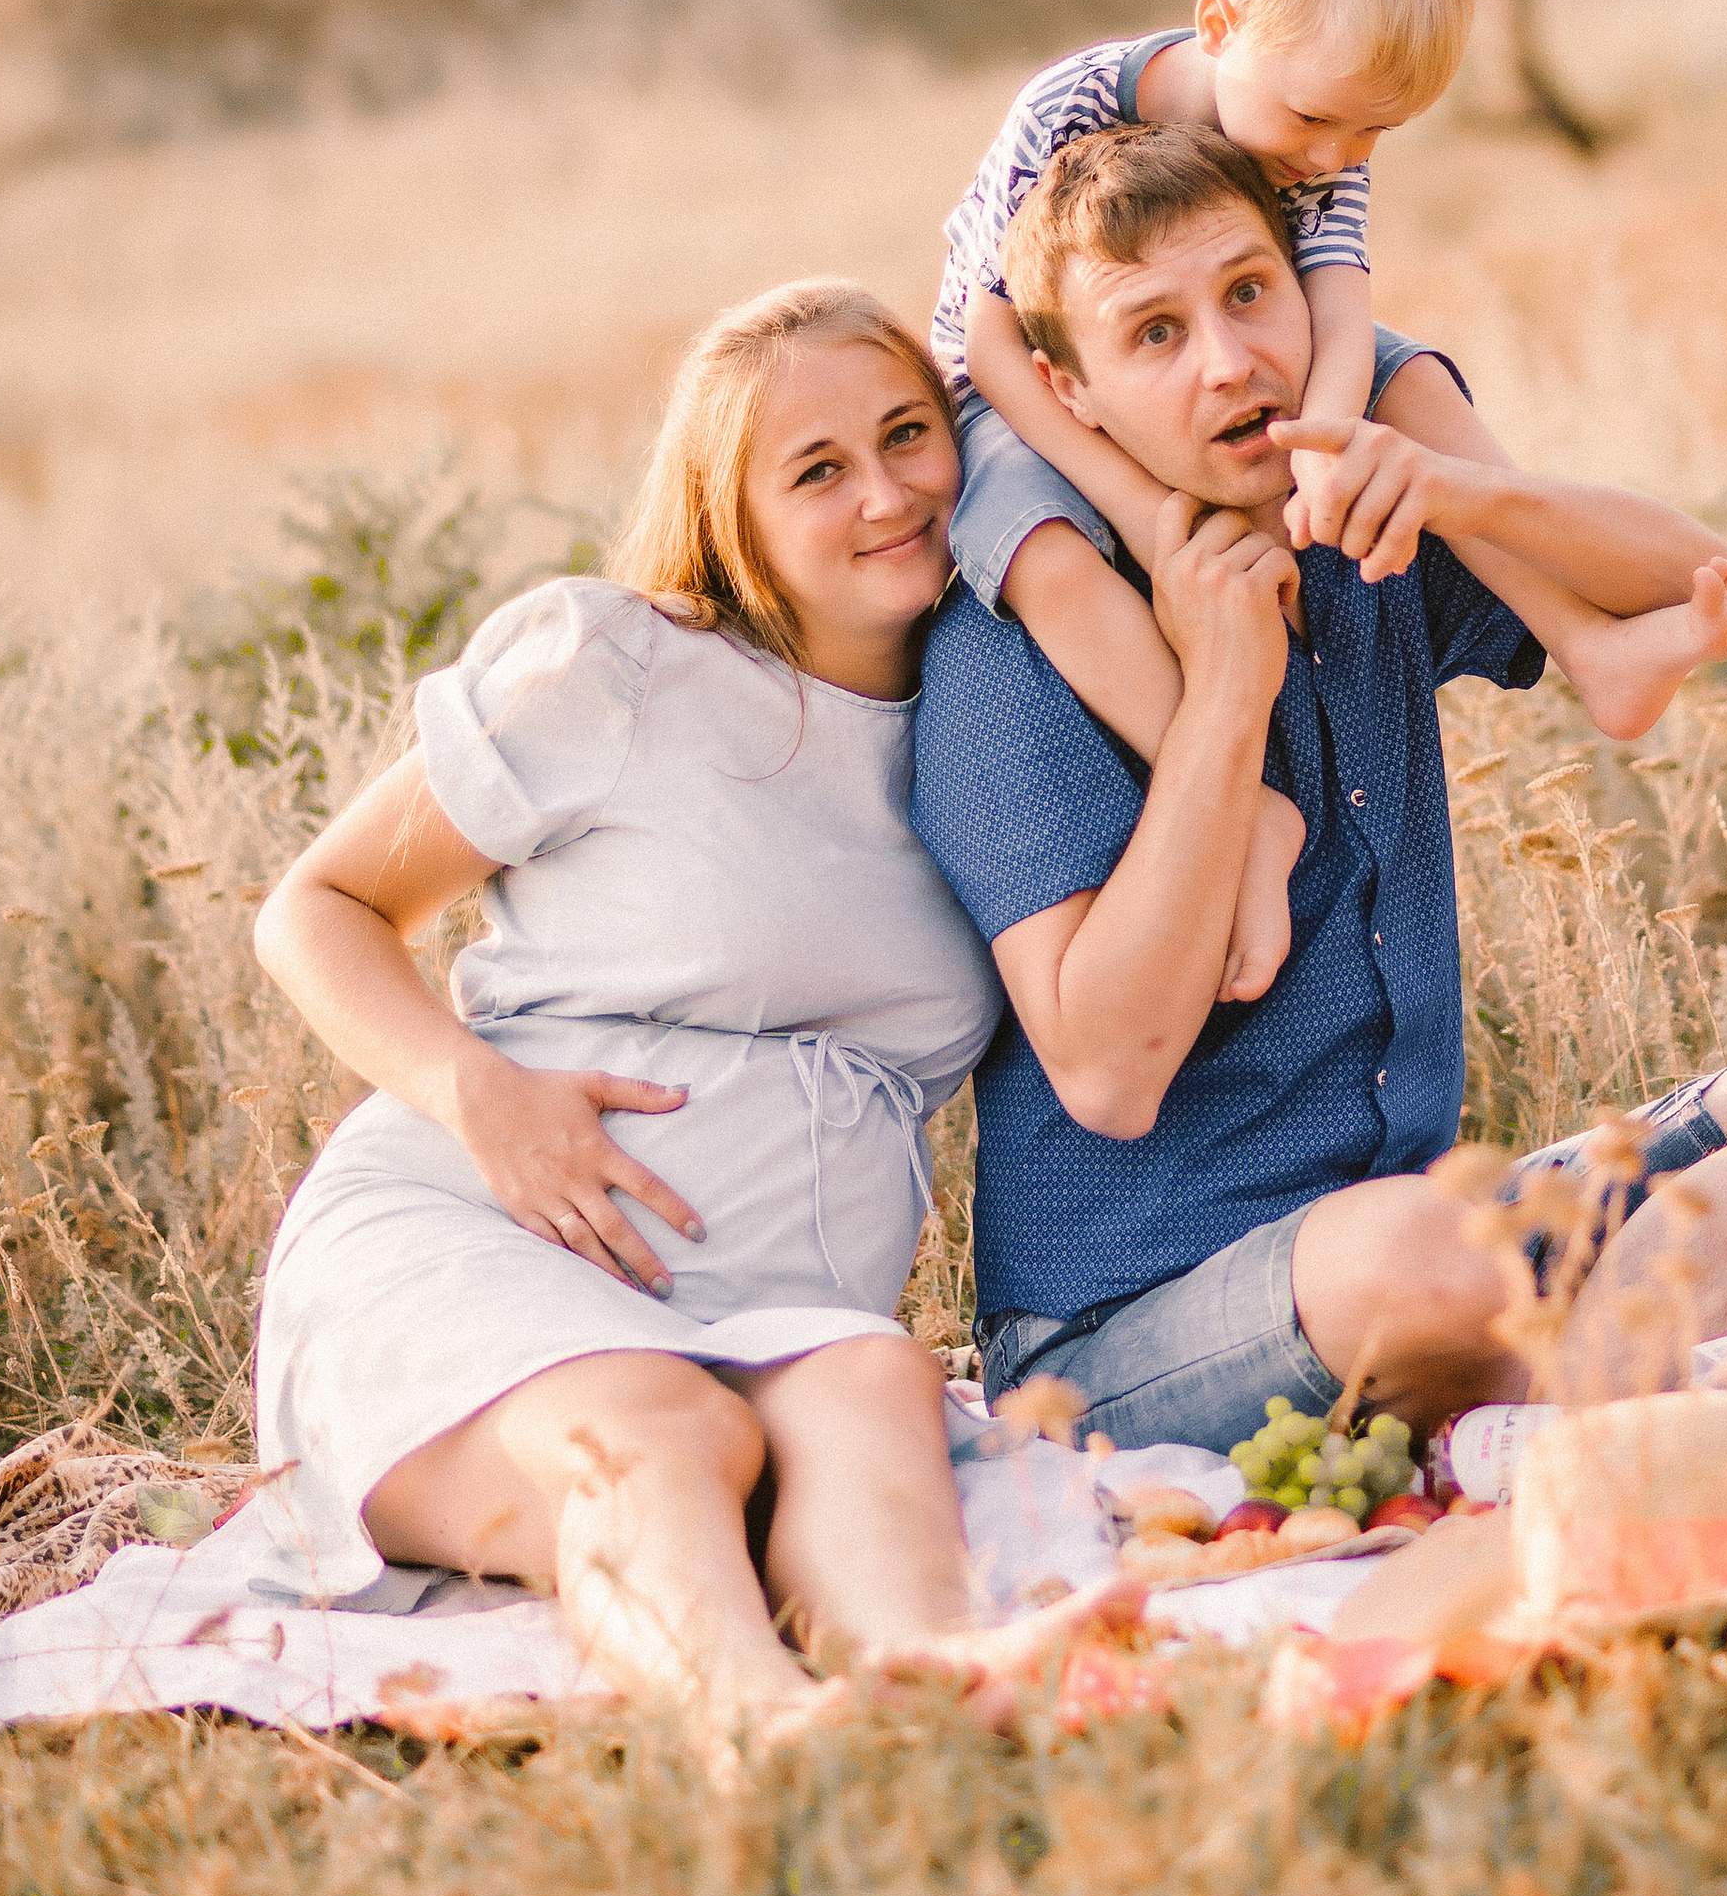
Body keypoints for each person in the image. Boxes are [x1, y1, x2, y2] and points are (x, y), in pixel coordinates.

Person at [910, 123, 1727, 1454]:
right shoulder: (1015, 641)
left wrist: (1469, 494)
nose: (1231, 360)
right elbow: (1106, 1072)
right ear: (1066, 390)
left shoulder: (1353, 529)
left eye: (1249, 293)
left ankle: (1565, 1357)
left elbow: (1708, 592)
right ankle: (1682, 1359)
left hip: (1427, 1219)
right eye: (1153, 332)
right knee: (1426, 1261)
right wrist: (1224, 695)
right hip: (1128, 1336)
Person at [251, 279, 1125, 1744]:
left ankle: (937, 1690)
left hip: (773, 1306)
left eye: (911, 434)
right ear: (735, 516)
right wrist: (480, 1095)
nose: (890, 492)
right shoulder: (621, 669)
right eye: (819, 470)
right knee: (669, 1429)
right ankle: (756, 1733)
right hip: (472, 1236)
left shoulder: (1001, 711)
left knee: (868, 1384)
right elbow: (315, 911)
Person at [932, 0, 1727, 1009]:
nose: (1338, 157)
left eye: (1376, 133)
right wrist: (1145, 509)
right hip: (1025, 388)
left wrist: (1327, 451)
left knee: (1406, 386)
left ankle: (1584, 639)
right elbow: (989, 338)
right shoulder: (1068, 109)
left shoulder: (1322, 138)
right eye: (1321, 122)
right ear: (1220, 32)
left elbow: (1339, 305)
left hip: (1191, 354)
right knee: (1049, 559)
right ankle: (1239, 800)